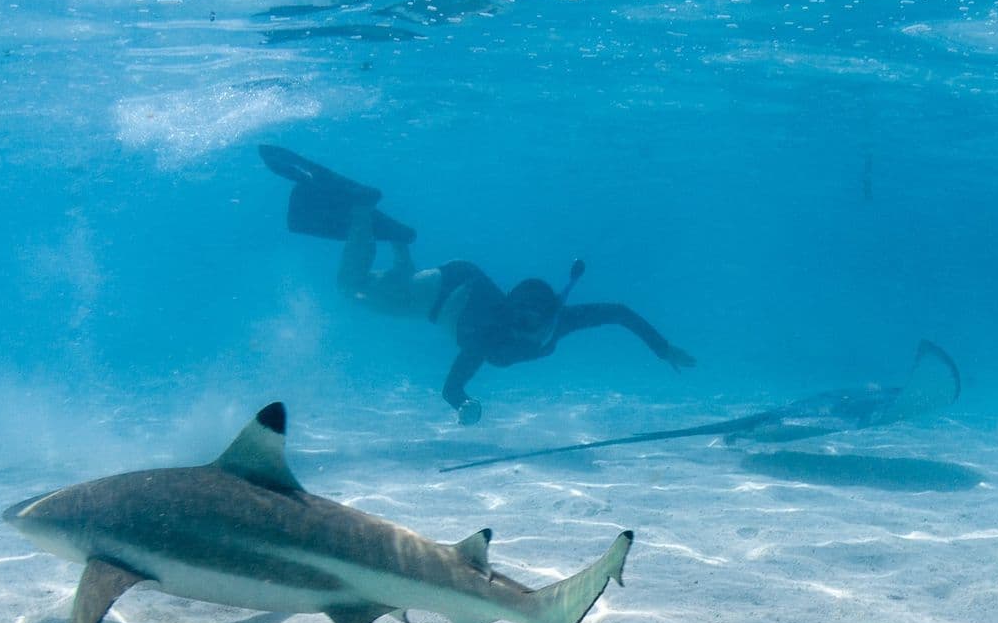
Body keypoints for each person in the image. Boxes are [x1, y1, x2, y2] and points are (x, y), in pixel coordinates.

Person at [264, 146, 694, 423]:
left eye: (531, 317)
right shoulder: (491, 333)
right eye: (521, 314)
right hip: (434, 297)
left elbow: (618, 312)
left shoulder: (561, 321)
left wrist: (661, 347)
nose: (524, 323)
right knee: (351, 286)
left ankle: (398, 240)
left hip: (446, 283)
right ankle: (362, 209)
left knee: (382, 284)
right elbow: (452, 386)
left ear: (548, 313)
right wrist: (463, 405)